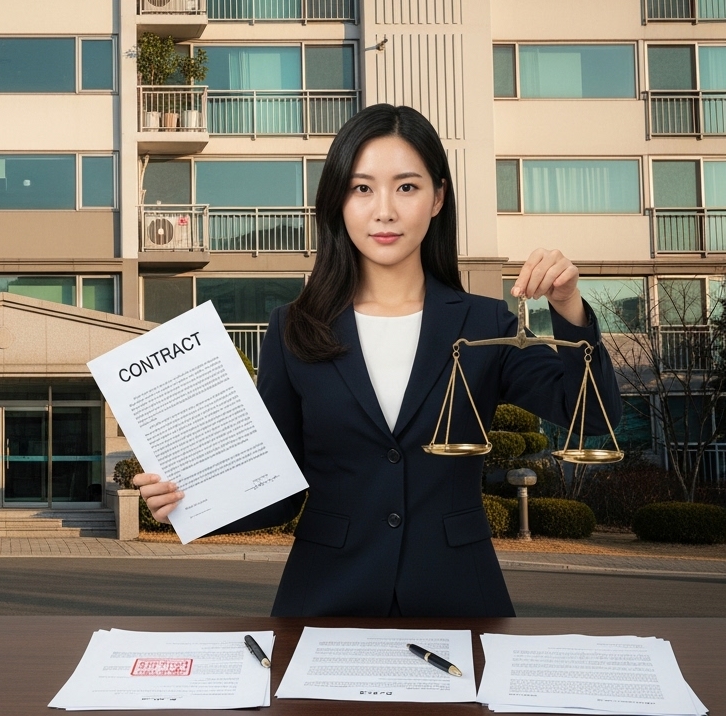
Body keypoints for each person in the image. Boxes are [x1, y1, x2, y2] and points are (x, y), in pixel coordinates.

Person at [133, 103, 621, 617]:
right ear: (339, 200)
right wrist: (186, 503)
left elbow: (593, 417)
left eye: (406, 187)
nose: (384, 210)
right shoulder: (294, 328)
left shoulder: (484, 324)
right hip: (324, 596)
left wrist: (568, 306)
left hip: (458, 595)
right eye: (362, 188)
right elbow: (280, 493)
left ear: (437, 198)